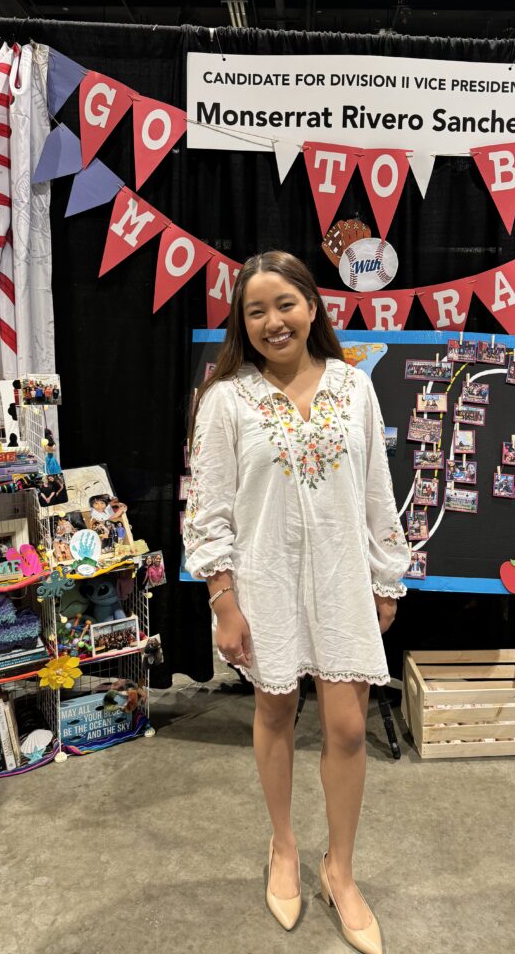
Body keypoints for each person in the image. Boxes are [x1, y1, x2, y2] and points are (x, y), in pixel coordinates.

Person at [184, 251, 408, 954]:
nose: (273, 321)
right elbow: (208, 509)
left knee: (345, 728)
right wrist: (224, 600)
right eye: (255, 310)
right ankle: (284, 845)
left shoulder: (354, 387)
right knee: (275, 709)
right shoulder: (225, 400)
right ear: (241, 324)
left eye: (285, 304)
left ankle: (340, 868)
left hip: (344, 579)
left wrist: (385, 577)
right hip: (265, 583)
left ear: (312, 306)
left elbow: (377, 486)